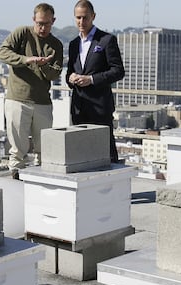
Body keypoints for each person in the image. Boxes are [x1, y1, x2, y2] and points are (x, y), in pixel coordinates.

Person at [0, 3, 63, 177]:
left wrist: (43, 65)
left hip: (42, 101)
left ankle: (43, 180)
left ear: (53, 21)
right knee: (18, 148)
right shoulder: (22, 33)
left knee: (44, 147)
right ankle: (16, 177)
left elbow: (55, 74)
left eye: (47, 24)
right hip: (18, 98)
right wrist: (27, 60)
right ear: (33, 19)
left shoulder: (56, 44)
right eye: (40, 23)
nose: (42, 28)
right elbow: (3, 53)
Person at [66, 0, 125, 163]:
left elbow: (118, 71)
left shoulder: (106, 40)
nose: (81, 22)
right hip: (79, 107)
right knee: (81, 151)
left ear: (93, 16)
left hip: (100, 107)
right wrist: (70, 78)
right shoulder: (73, 44)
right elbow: (69, 72)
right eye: (78, 18)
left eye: (85, 17)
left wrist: (91, 79)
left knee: (106, 151)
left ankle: (112, 186)